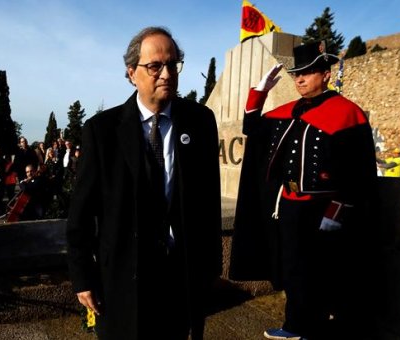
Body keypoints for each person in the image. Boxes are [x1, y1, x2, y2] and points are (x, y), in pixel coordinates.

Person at [66, 26, 222, 340]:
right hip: (124, 274)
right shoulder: (102, 130)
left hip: (181, 273)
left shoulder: (200, 121)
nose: (166, 74)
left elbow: (209, 200)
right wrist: (82, 277)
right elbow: (81, 212)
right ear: (131, 73)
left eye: (173, 64)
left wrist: (210, 268)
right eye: (155, 66)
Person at [230, 41, 379, 339]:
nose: (298, 78)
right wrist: (259, 93)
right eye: (296, 73)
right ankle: (296, 326)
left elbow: (359, 171)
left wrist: (336, 212)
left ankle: (313, 326)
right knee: (294, 269)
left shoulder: (348, 113)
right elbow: (252, 128)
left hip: (322, 208)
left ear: (325, 74)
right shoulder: (288, 110)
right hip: (288, 202)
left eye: (307, 72)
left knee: (322, 271)